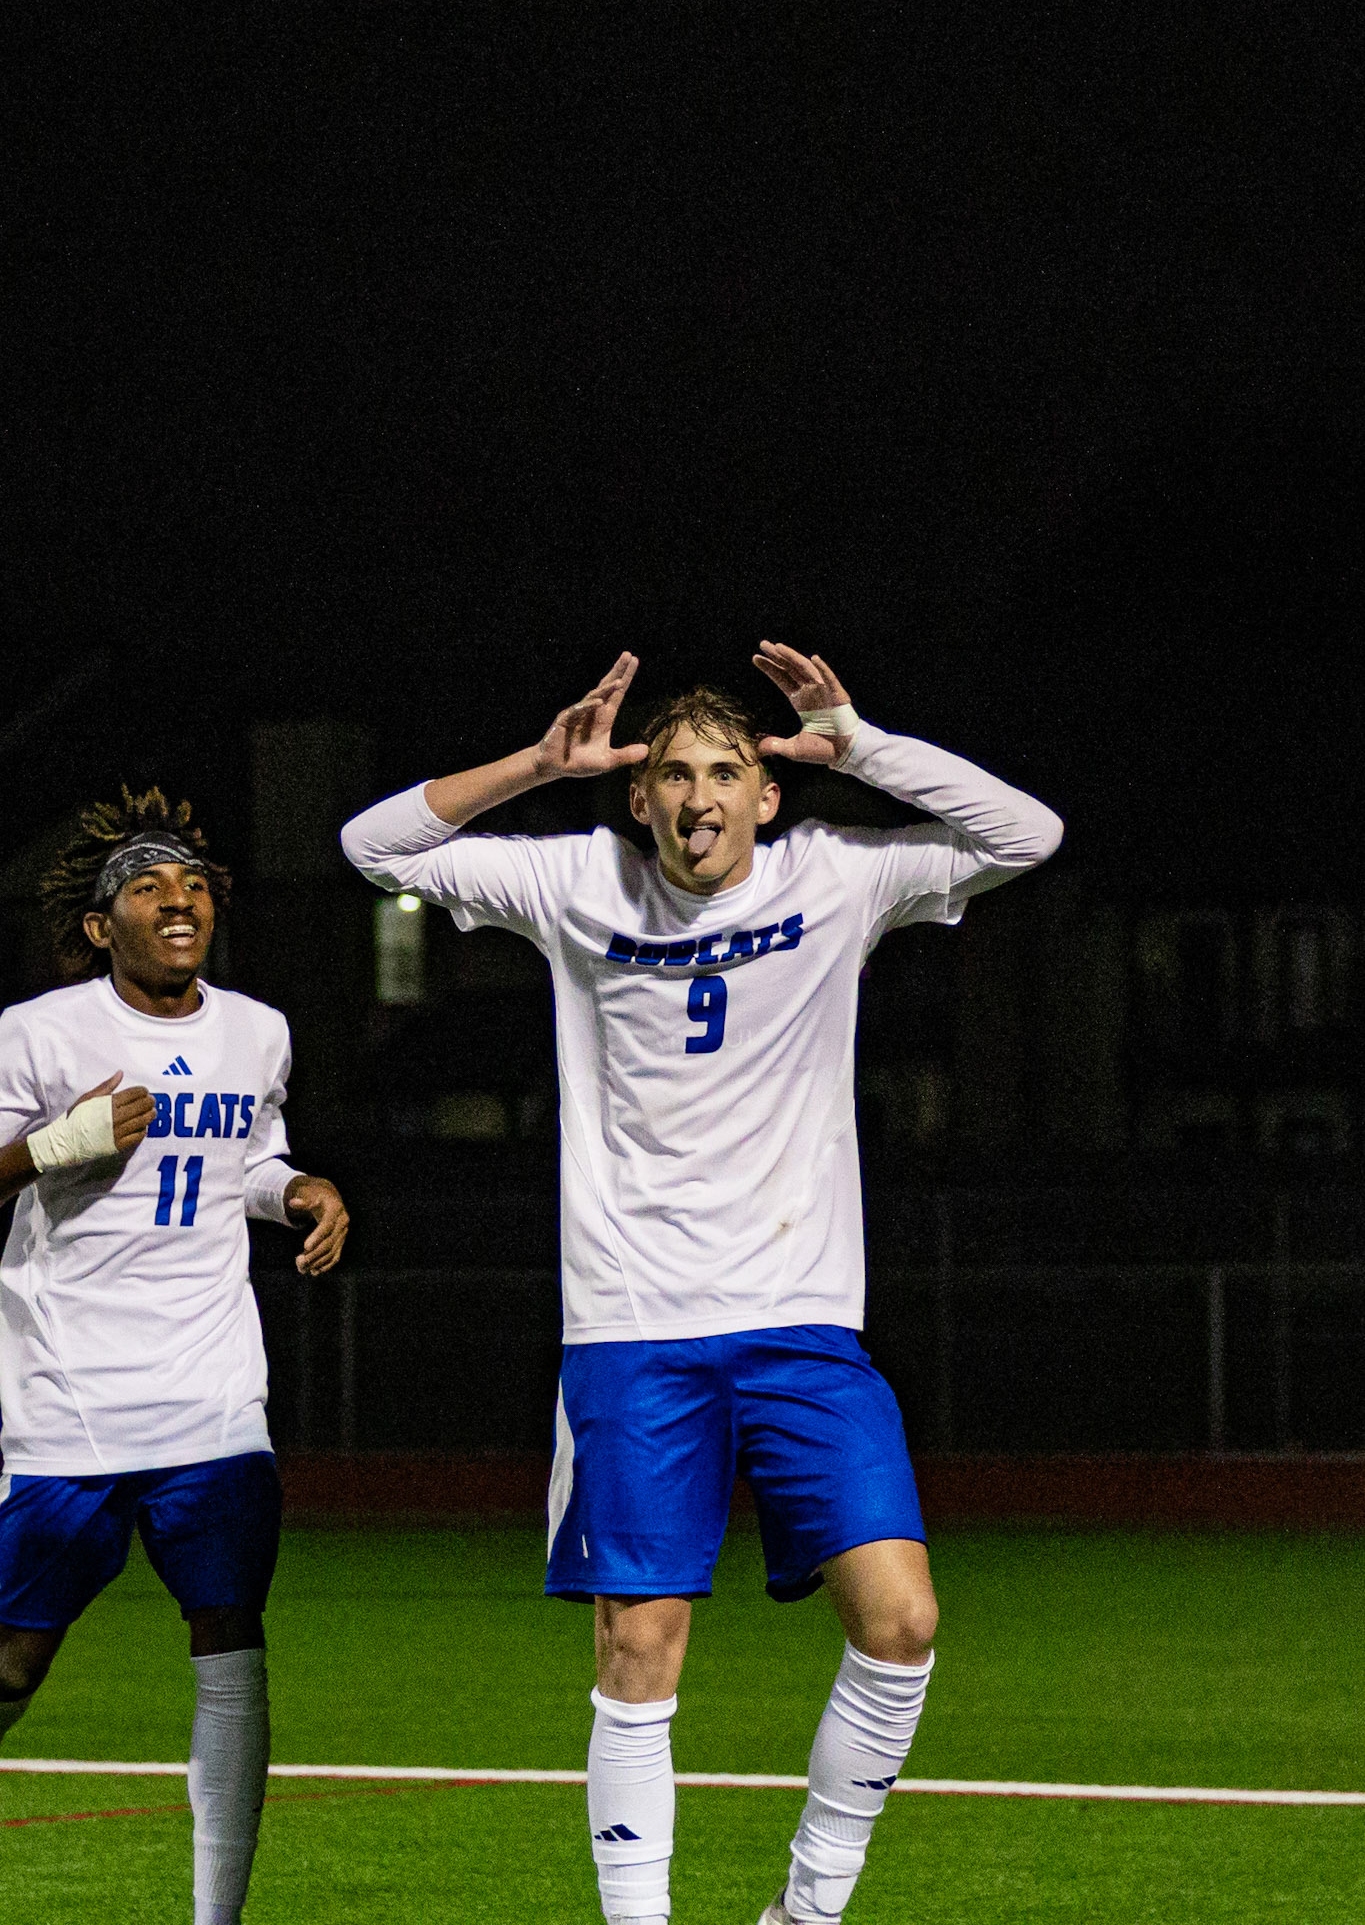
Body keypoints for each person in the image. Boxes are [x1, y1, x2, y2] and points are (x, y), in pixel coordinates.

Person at [340, 643, 1062, 1925]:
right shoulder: (579, 881)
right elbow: (371, 845)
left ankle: (807, 1910)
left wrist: (864, 742)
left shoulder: (835, 876)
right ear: (640, 796)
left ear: (767, 795)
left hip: (803, 1324)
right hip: (634, 1328)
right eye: (674, 774)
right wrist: (537, 764)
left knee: (901, 1621)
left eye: (725, 772)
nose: (698, 796)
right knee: (640, 1646)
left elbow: (1029, 834)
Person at [0, 787, 348, 1925]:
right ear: (99, 925)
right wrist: (62, 1140)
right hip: (69, 1400)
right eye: (146, 887)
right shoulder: (39, 1032)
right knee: (13, 1662)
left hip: (213, 1399)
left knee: (230, 1638)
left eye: (192, 882)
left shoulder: (258, 1030)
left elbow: (251, 1161)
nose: (178, 899)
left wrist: (301, 1190)